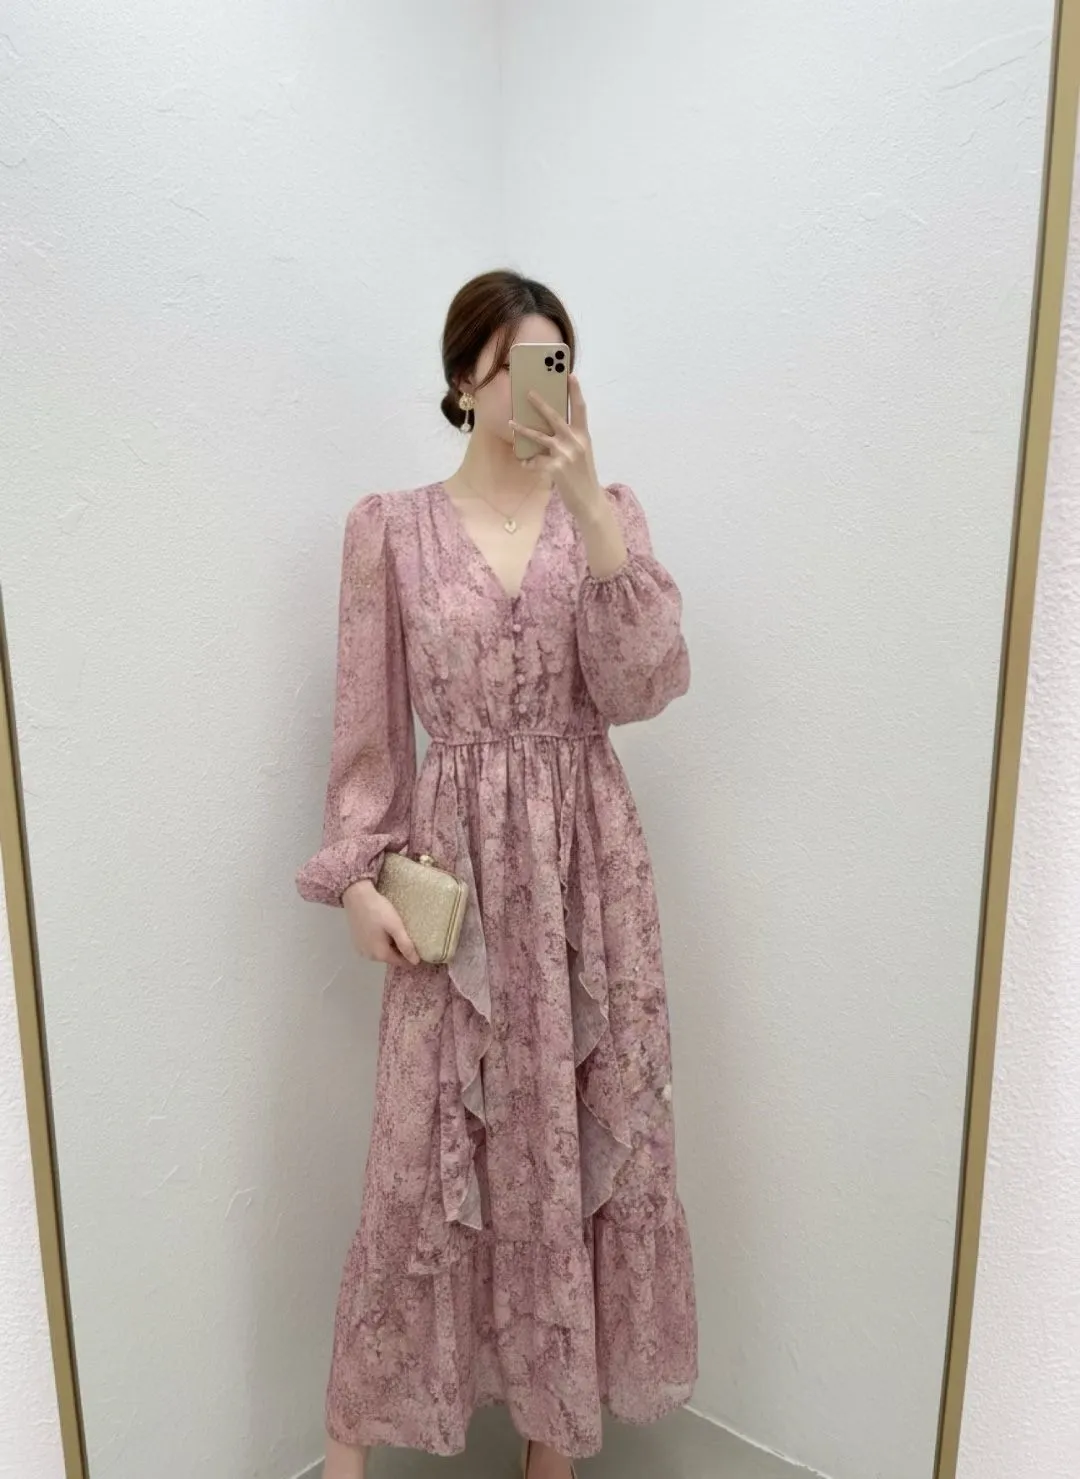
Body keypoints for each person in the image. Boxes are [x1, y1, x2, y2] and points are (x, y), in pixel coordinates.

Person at [296, 269, 697, 1479]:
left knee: (578, 1141)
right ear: (464, 379)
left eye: (558, 363)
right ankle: (348, 1452)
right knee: (419, 1160)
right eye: (518, 363)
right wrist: (357, 878)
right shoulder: (390, 529)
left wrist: (592, 509)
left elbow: (643, 688)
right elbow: (368, 730)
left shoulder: (607, 514)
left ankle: (550, 1448)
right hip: (456, 883)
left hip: (589, 881)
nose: (539, 388)